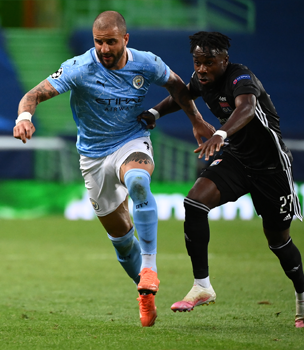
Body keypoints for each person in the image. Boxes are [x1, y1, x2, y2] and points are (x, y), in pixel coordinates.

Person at [13, 11, 215, 327]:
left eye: (111, 42)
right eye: (98, 42)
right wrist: (24, 118)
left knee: (137, 181)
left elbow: (177, 86)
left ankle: (150, 266)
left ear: (125, 39)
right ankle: (145, 292)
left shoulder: (146, 62)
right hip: (92, 157)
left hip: (131, 141)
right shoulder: (79, 67)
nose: (104, 49)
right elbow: (33, 95)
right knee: (121, 240)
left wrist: (197, 120)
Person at [139, 31, 304, 328]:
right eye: (197, 62)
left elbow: (246, 108)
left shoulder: (240, 78)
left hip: (271, 167)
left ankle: (303, 295)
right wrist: (156, 111)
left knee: (278, 241)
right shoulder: (201, 79)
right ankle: (202, 285)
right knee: (194, 202)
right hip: (237, 159)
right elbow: (182, 94)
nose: (202, 69)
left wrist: (220, 133)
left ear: (225, 60)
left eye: (209, 62)